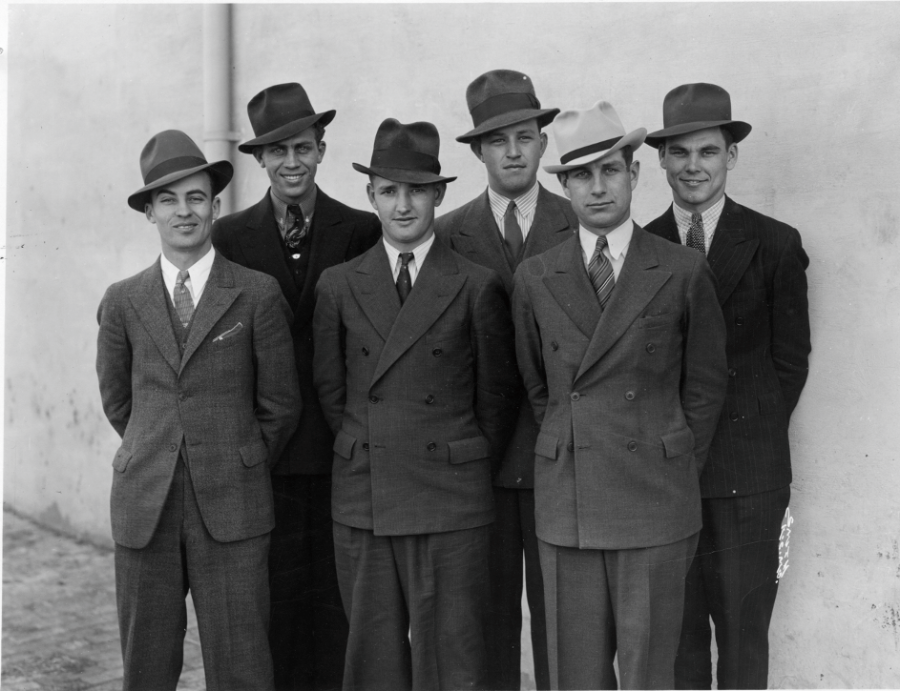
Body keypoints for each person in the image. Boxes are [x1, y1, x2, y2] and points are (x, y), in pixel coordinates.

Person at [512, 101, 728, 690]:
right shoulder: (535, 276)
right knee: (575, 675)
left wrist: (671, 456)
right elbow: (539, 386)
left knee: (649, 674)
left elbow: (705, 386)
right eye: (582, 175)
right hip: (569, 502)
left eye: (611, 170)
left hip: (655, 499)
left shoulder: (681, 269)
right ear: (564, 185)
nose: (598, 187)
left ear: (635, 174)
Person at [313, 118, 520, 691]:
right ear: (370, 196)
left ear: (439, 194)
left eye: (417, 191)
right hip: (366, 494)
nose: (403, 206)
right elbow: (333, 393)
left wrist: (458, 457)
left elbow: (495, 401)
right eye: (388, 191)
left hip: (450, 499)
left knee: (452, 660)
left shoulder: (476, 284)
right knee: (373, 659)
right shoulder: (338, 284)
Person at [96, 129, 301, 690]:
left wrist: (238, 457)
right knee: (147, 663)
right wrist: (154, 446)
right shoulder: (122, 300)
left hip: (233, 504)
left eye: (194, 198)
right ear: (150, 213)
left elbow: (280, 405)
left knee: (241, 664)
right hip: (146, 503)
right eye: (168, 200)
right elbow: (118, 400)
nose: (183, 212)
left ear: (214, 206)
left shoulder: (255, 294)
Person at [212, 82, 382, 691]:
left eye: (303, 149)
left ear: (322, 150)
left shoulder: (360, 229)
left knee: (341, 599)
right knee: (277, 597)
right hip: (270, 454)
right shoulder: (229, 237)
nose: (292, 163)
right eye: (278, 151)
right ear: (259, 159)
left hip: (341, 449)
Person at [643, 82, 811, 690]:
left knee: (743, 634)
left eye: (707, 152)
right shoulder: (641, 248)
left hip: (749, 472)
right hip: (669, 473)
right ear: (660, 159)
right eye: (680, 153)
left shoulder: (774, 243)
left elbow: (790, 364)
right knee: (678, 634)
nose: (694, 167)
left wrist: (747, 428)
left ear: (731, 157)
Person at [435, 69, 577, 691]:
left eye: (525, 136)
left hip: (562, 461)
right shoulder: (446, 235)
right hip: (480, 465)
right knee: (484, 623)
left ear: (544, 143)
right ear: (477, 152)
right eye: (498, 141)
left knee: (563, 624)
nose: (514, 151)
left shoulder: (585, 223)